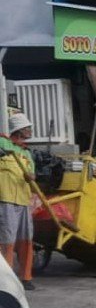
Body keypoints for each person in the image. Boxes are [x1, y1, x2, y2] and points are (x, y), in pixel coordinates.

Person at [0, 114, 37, 290]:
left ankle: (26, 277)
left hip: (23, 200)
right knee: (6, 240)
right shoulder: (3, 143)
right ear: (19, 130)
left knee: (26, 239)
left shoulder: (26, 153)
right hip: (5, 199)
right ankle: (5, 280)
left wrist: (31, 176)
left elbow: (32, 173)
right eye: (28, 128)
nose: (30, 130)